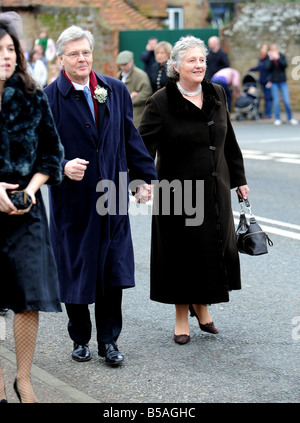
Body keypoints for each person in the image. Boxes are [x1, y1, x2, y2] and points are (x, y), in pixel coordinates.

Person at [44, 26, 157, 366]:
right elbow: (38, 150)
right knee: (76, 269)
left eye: (86, 52)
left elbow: (129, 136)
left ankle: (109, 340)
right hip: (72, 201)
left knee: (112, 271)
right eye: (74, 53)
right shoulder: (49, 98)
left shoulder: (115, 89)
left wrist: (142, 178)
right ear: (61, 58)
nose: (82, 59)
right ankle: (80, 337)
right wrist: (62, 166)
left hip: (113, 194)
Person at [138, 35, 250, 345]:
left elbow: (229, 139)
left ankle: (202, 306)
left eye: (202, 59)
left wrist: (239, 179)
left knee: (210, 249)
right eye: (192, 60)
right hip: (177, 192)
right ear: (175, 66)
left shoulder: (216, 93)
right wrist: (141, 182)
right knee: (180, 253)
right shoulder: (161, 101)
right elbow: (142, 147)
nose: (199, 64)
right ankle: (180, 316)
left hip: (215, 186)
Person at [0, 17, 64, 403]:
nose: (6, 57)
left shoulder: (31, 94)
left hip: (28, 215)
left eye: (10, 49)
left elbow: (52, 153)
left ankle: (23, 379)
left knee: (28, 297)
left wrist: (31, 189)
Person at [116, 50, 152, 127]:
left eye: (125, 64)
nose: (123, 67)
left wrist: (129, 100)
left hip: (135, 115)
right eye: (121, 65)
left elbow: (146, 93)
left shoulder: (141, 75)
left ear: (131, 61)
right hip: (121, 114)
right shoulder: (119, 75)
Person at [265, 44, 298, 126]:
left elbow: (285, 65)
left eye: (275, 49)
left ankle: (290, 118)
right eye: (272, 50)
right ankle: (277, 118)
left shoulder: (282, 57)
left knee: (286, 101)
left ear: (278, 50)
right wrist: (271, 59)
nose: (274, 51)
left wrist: (278, 58)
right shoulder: (270, 59)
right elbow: (268, 68)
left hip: (283, 81)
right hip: (274, 82)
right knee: (276, 101)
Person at [249, 43, 272, 119]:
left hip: (267, 81)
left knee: (268, 98)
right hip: (261, 80)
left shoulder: (269, 58)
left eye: (265, 48)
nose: (263, 49)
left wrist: (270, 80)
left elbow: (271, 69)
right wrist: (251, 69)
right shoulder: (261, 58)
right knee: (258, 97)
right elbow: (259, 67)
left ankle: (268, 114)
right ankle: (261, 112)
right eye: (262, 48)